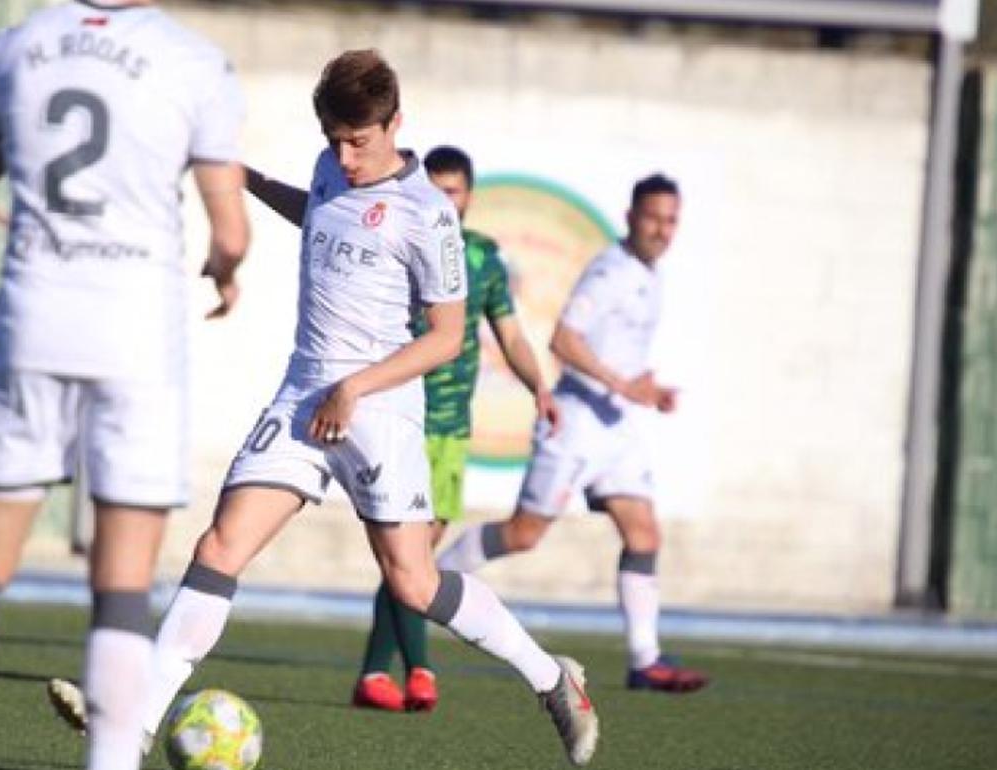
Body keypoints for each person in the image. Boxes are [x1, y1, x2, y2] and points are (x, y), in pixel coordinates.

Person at [47, 49, 599, 766]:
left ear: (396, 123)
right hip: (304, 391)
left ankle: (554, 680)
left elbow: (446, 338)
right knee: (219, 547)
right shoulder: (329, 167)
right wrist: (248, 183)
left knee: (412, 581)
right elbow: (323, 216)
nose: (346, 155)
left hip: (381, 407)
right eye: (335, 140)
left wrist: (357, 387)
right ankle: (134, 722)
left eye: (359, 141)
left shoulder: (429, 216)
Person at [0, 2, 249, 769]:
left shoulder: (12, 49)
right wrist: (225, 273)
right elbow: (230, 234)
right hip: (135, 340)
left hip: (31, 325)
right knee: (122, 586)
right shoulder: (193, 60)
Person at [436, 174, 709, 693]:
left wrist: (643, 390)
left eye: (670, 220)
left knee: (644, 533)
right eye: (652, 217)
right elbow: (563, 339)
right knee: (523, 535)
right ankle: (432, 582)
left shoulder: (652, 275)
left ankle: (645, 660)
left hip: (615, 426)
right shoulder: (610, 271)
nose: (661, 229)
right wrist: (623, 385)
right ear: (631, 217)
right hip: (577, 423)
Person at [350, 146, 560, 713]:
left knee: (413, 560)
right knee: (409, 555)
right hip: (400, 418)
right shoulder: (401, 239)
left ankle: (374, 673)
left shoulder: (483, 258)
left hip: (450, 429)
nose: (445, 200)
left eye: (455, 191)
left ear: (469, 196)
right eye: (436, 189)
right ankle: (417, 669)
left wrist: (539, 387)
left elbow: (511, 335)